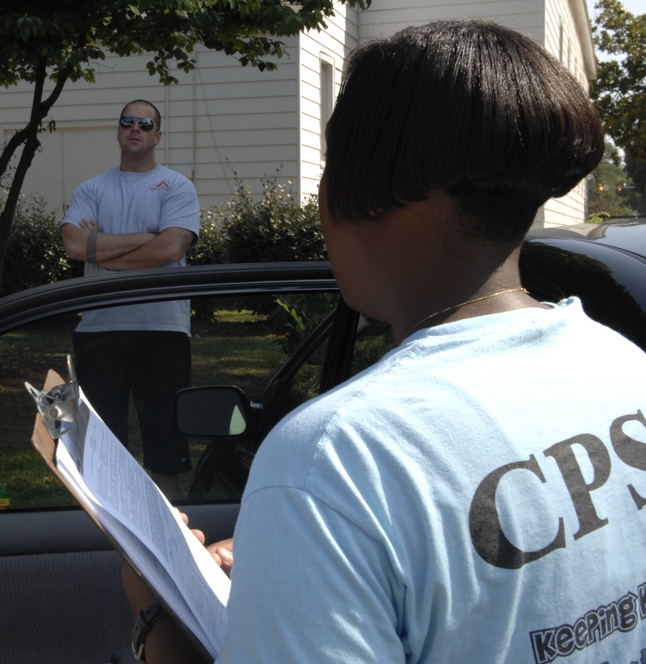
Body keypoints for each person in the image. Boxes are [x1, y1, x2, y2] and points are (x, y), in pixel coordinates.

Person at [123, 20, 646, 662]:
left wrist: (158, 615)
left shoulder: (333, 459)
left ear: (372, 188)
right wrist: (299, 577)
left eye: (331, 163)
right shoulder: (625, 365)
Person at [61, 100, 199, 499]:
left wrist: (101, 248)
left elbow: (171, 248)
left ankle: (169, 523)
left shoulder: (177, 186)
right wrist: (146, 238)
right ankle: (111, 518)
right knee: (102, 440)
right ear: (119, 131)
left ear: (157, 135)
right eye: (127, 122)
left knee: (165, 438)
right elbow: (73, 244)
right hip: (100, 328)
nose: (135, 128)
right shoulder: (92, 188)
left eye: (145, 123)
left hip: (163, 328)